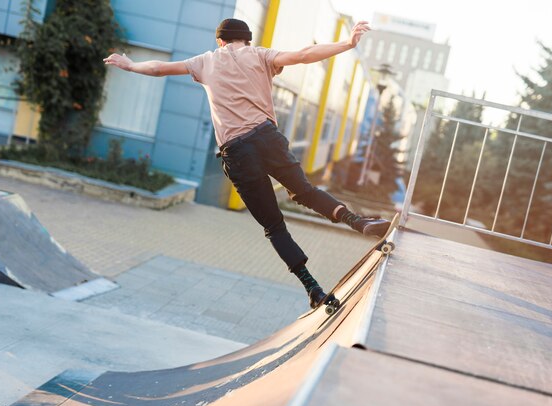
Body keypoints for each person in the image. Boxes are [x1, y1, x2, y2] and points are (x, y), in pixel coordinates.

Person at [103, 18, 391, 309]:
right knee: (304, 191)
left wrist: (130, 65)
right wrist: (348, 43)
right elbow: (304, 55)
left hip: (236, 152)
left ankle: (313, 289)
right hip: (267, 139)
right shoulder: (261, 55)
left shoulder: (205, 61)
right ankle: (358, 222)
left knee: (274, 226)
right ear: (247, 40)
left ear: (220, 41)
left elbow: (158, 68)